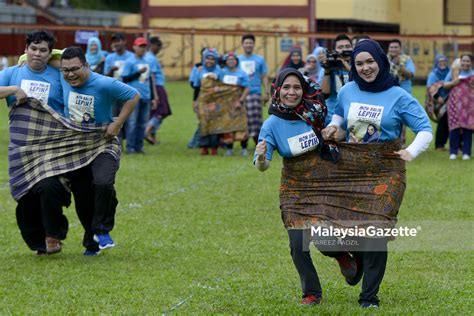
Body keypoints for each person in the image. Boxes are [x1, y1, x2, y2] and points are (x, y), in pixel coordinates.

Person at [322, 39, 432, 308]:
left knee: (376, 232)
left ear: (381, 62)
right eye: (359, 63)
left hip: (386, 173)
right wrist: (332, 129)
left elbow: (425, 129)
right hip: (352, 170)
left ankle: (368, 297)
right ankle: (354, 256)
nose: (365, 68)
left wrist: (412, 151)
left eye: (370, 61)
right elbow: (338, 117)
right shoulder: (347, 90)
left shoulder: (398, 96)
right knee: (327, 233)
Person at [60, 47, 140, 254]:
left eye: (75, 69)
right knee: (82, 195)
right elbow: (43, 56)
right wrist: (24, 59)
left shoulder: (104, 83)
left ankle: (102, 230)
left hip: (104, 140)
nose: (70, 74)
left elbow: (133, 96)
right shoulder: (62, 77)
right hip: (75, 145)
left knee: (103, 182)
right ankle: (92, 241)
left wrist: (119, 122)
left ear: (86, 66)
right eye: (65, 70)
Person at [0, 30, 68, 255]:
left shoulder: (59, 77)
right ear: (26, 49)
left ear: (50, 54)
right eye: (33, 48)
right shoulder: (12, 73)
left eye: (43, 50)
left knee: (49, 187)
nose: (37, 54)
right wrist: (13, 90)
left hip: (52, 146)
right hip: (21, 148)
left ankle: (52, 236)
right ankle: (37, 240)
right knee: (27, 195)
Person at [122, 37, 159, 154]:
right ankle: (130, 147)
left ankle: (139, 147)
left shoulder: (147, 62)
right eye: (140, 46)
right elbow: (125, 78)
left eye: (144, 47)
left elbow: (150, 80)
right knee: (132, 123)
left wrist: (153, 97)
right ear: (134, 47)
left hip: (146, 96)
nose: (142, 49)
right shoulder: (130, 61)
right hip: (134, 97)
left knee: (143, 123)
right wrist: (138, 72)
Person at [238, 33, 270, 147]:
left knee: (256, 121)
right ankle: (244, 145)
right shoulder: (237, 59)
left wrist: (266, 92)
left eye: (250, 43)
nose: (248, 45)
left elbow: (264, 76)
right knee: (242, 121)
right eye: (246, 43)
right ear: (242, 44)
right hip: (240, 95)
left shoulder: (259, 59)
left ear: (254, 44)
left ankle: (259, 145)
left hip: (255, 94)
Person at [218, 52, 250, 156]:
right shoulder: (222, 73)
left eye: (233, 59)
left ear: (236, 61)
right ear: (226, 62)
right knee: (228, 126)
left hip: (238, 102)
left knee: (241, 125)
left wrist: (241, 101)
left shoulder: (242, 73)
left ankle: (244, 148)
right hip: (226, 103)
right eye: (228, 60)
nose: (231, 61)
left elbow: (247, 88)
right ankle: (229, 148)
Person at [443, 54, 473, 160]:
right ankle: (453, 152)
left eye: (468, 61)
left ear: (471, 63)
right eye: (463, 61)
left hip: (469, 107)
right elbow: (444, 84)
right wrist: (453, 82)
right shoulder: (454, 73)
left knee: (467, 128)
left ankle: (466, 152)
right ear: (460, 62)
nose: (465, 63)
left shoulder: (473, 74)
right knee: (454, 127)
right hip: (454, 104)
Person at [193, 48, 222, 155]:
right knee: (203, 123)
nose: (209, 61)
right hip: (202, 101)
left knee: (214, 124)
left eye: (212, 59)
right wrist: (195, 101)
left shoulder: (219, 71)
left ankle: (214, 147)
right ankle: (204, 147)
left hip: (215, 101)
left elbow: (223, 86)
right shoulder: (200, 71)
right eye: (207, 59)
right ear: (204, 60)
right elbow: (196, 87)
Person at [144, 36, 172, 145]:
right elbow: (152, 76)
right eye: (158, 46)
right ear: (152, 45)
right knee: (162, 111)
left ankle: (152, 135)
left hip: (157, 86)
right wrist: (156, 93)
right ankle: (146, 132)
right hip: (156, 86)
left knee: (155, 112)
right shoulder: (150, 58)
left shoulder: (150, 57)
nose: (159, 49)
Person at [320, 34, 352, 126]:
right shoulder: (330, 66)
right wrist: (327, 71)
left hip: (352, 115)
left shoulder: (357, 66)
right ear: (335, 50)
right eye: (340, 47)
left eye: (347, 46)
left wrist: (345, 64)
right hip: (332, 117)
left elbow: (361, 82)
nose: (344, 49)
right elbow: (324, 94)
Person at [426, 54, 450, 150]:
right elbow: (430, 89)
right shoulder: (433, 74)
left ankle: (443, 144)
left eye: (444, 62)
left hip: (448, 100)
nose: (442, 64)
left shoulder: (450, 72)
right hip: (437, 102)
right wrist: (438, 97)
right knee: (442, 122)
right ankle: (439, 145)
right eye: (440, 62)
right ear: (436, 63)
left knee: (449, 122)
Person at [187, 47, 207, 149]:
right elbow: (194, 85)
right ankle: (194, 142)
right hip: (201, 99)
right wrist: (195, 101)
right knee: (201, 122)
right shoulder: (198, 67)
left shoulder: (216, 68)